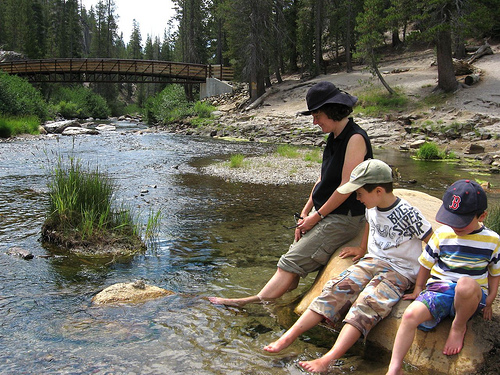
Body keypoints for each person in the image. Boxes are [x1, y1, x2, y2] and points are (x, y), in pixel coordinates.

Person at [208, 81, 373, 307]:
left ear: (332, 111)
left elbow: (346, 186)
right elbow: (322, 180)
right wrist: (306, 212)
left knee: (289, 261)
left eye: (317, 116)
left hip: (345, 217)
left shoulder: (355, 138)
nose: (315, 122)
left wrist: (317, 217)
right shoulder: (334, 137)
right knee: (291, 257)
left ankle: (251, 301)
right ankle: (284, 293)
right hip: (326, 211)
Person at [263, 159, 433, 374]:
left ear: (379, 190)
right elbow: (370, 226)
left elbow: (432, 245)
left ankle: (329, 358)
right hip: (372, 261)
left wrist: (420, 284)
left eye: (360, 193)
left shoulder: (408, 214)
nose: (357, 197)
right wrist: (362, 249)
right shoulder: (372, 206)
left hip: (400, 272)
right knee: (336, 288)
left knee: (367, 304)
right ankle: (289, 336)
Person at [386, 179, 500, 375]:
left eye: (461, 222)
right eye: (452, 219)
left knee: (465, 284)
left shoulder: (492, 240)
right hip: (440, 289)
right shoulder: (442, 234)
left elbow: (494, 273)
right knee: (410, 315)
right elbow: (426, 263)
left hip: (470, 295)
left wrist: (489, 300)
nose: (455, 226)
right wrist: (418, 289)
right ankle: (394, 368)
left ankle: (458, 326)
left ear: (482, 216)